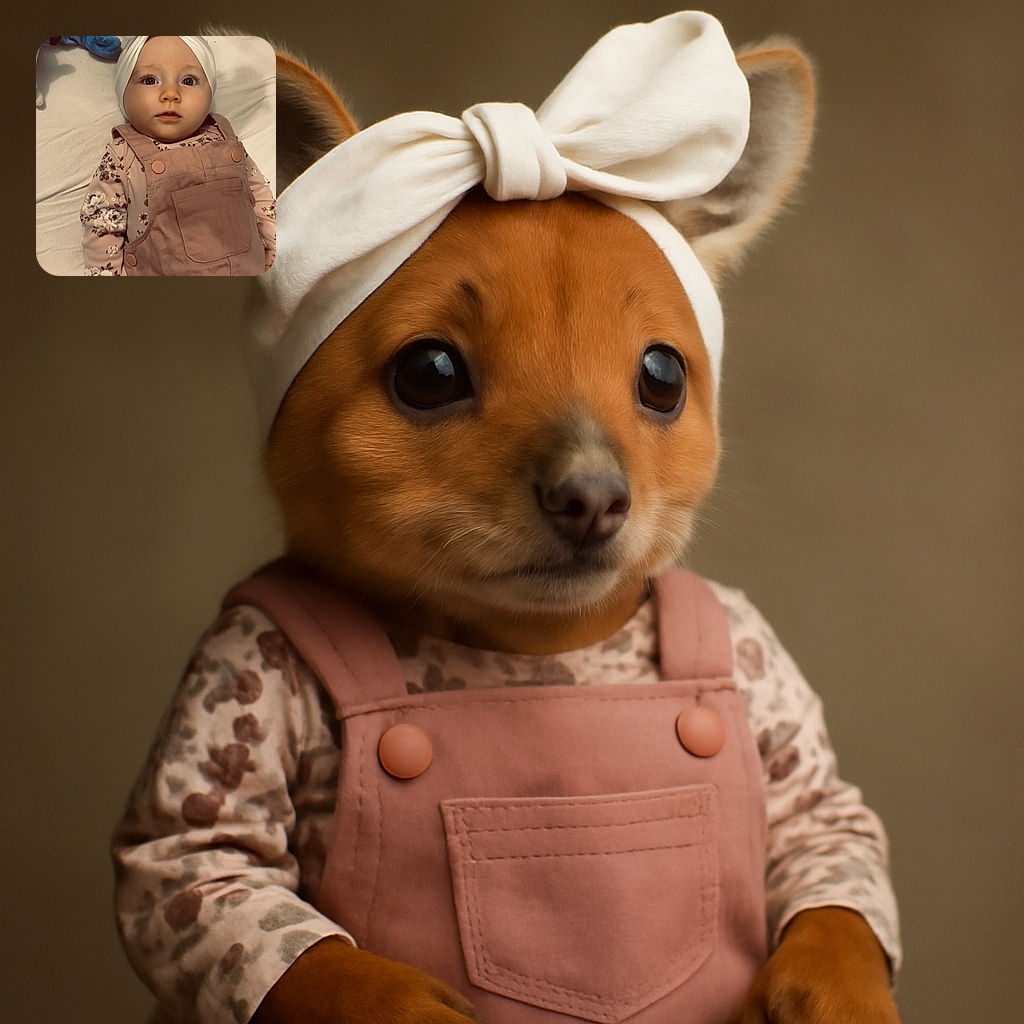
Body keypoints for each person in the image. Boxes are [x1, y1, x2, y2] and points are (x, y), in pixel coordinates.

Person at [81, 35, 275, 276]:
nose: (171, 93)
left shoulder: (225, 139)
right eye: (150, 80)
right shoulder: (122, 157)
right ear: (124, 93)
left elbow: (261, 198)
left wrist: (277, 253)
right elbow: (101, 226)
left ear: (210, 93)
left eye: (189, 80)